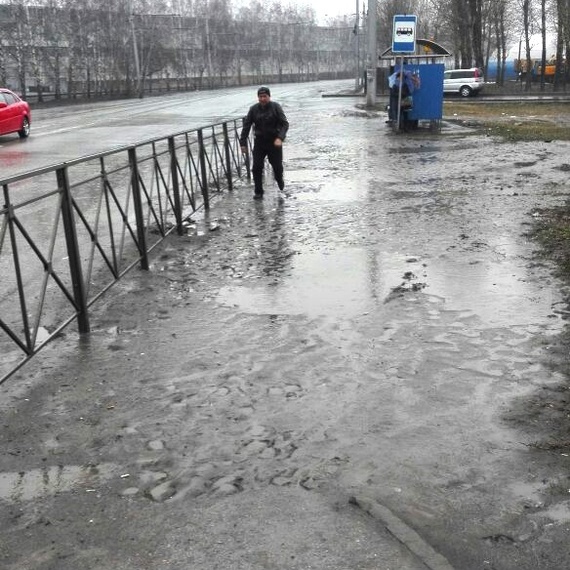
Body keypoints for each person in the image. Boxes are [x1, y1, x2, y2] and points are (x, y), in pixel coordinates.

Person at [239, 86, 289, 200]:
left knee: (277, 167)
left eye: (264, 96)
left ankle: (279, 179)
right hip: (260, 142)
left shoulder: (276, 107)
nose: (262, 99)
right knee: (256, 167)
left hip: (274, 142)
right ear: (258, 98)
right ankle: (258, 192)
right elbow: (246, 127)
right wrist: (243, 143)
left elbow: (285, 124)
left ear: (269, 96)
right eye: (260, 97)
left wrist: (280, 138)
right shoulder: (253, 109)